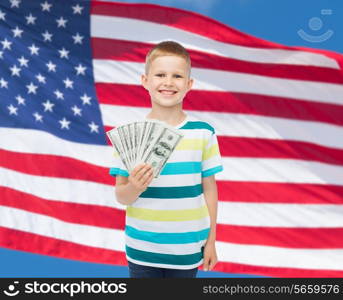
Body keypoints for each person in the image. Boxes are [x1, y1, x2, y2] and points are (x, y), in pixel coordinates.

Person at [110, 40, 223, 278]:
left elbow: (210, 189)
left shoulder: (203, 132)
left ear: (189, 84)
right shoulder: (131, 134)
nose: (168, 82)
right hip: (142, 248)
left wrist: (211, 240)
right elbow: (121, 196)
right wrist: (134, 186)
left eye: (177, 76)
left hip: (187, 249)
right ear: (145, 81)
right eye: (160, 74)